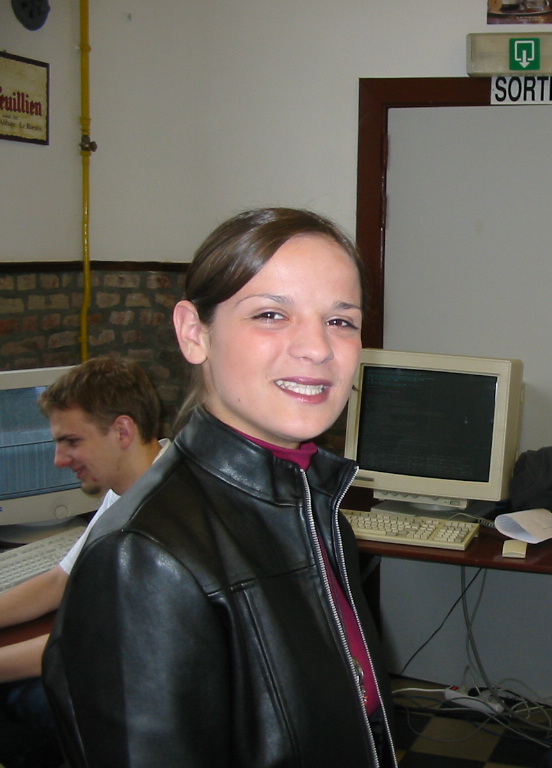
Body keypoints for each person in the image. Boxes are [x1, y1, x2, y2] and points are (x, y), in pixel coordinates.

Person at [43, 208, 398, 768]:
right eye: (271, 314)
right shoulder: (142, 558)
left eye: (340, 321)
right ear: (194, 332)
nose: (317, 348)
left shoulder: (312, 508)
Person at [0, 357, 164, 768]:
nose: (59, 459)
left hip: (146, 710)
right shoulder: (129, 486)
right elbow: (58, 582)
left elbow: (85, 648)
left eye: (72, 441)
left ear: (122, 431)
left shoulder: (161, 519)